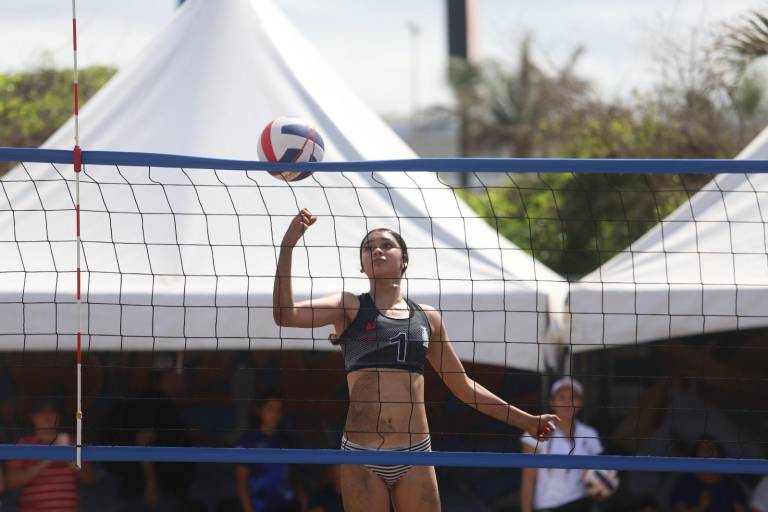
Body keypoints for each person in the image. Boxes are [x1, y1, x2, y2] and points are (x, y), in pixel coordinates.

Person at [272, 208, 559, 512]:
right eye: (369, 247)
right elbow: (285, 315)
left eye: (386, 245)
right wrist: (288, 247)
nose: (377, 250)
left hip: (415, 453)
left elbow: (463, 386)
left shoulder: (428, 317)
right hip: (362, 453)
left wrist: (527, 420)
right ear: (362, 266)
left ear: (404, 260)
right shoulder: (349, 307)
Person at [520, 377, 604, 512]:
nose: (568, 402)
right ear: (552, 402)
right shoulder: (537, 431)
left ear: (581, 403)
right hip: (546, 506)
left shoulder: (590, 434)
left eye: (573, 397)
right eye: (562, 397)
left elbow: (598, 477)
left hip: (580, 504)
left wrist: (601, 487)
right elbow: (528, 479)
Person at [6, 399, 95, 512]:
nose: (48, 416)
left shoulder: (72, 442)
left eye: (52, 411)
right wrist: (46, 460)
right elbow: (10, 482)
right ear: (33, 417)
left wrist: (70, 460)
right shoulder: (23, 444)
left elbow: (90, 478)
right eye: (42, 412)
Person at [235, 390, 299, 512]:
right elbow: (242, 484)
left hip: (286, 506)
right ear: (259, 411)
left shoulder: (286, 441)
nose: (275, 414)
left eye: (278, 410)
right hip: (259, 506)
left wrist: (301, 496)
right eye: (270, 409)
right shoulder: (248, 442)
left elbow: (292, 478)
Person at [670, 436, 747, 512]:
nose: (707, 453)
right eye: (703, 450)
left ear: (719, 455)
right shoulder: (685, 483)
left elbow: (740, 509)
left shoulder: (731, 486)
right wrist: (701, 508)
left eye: (710, 449)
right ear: (696, 456)